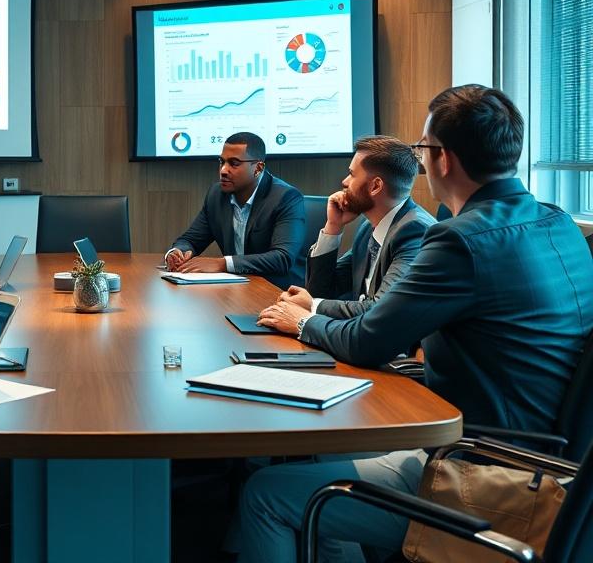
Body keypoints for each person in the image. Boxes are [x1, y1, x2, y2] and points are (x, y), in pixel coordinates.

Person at [247, 85, 593, 563]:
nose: (421, 161)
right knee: (320, 475)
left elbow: (367, 339)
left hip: (479, 473)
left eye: (422, 149)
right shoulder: (559, 224)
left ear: (443, 159)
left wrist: (303, 323)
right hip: (548, 467)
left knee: (267, 494)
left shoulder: (459, 242)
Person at [280, 135, 435, 319]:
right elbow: (321, 290)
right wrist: (333, 227)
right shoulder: (368, 228)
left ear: (375, 186)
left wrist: (312, 305)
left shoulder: (415, 232)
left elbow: (381, 311)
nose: (345, 182)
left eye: (352, 174)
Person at [165, 131, 306, 288]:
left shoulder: (285, 197)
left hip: (279, 293)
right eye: (222, 162)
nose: (223, 170)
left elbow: (282, 258)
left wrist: (222, 263)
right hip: (237, 289)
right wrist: (178, 253)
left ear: (258, 168)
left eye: (234, 163)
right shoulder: (216, 194)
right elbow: (190, 240)